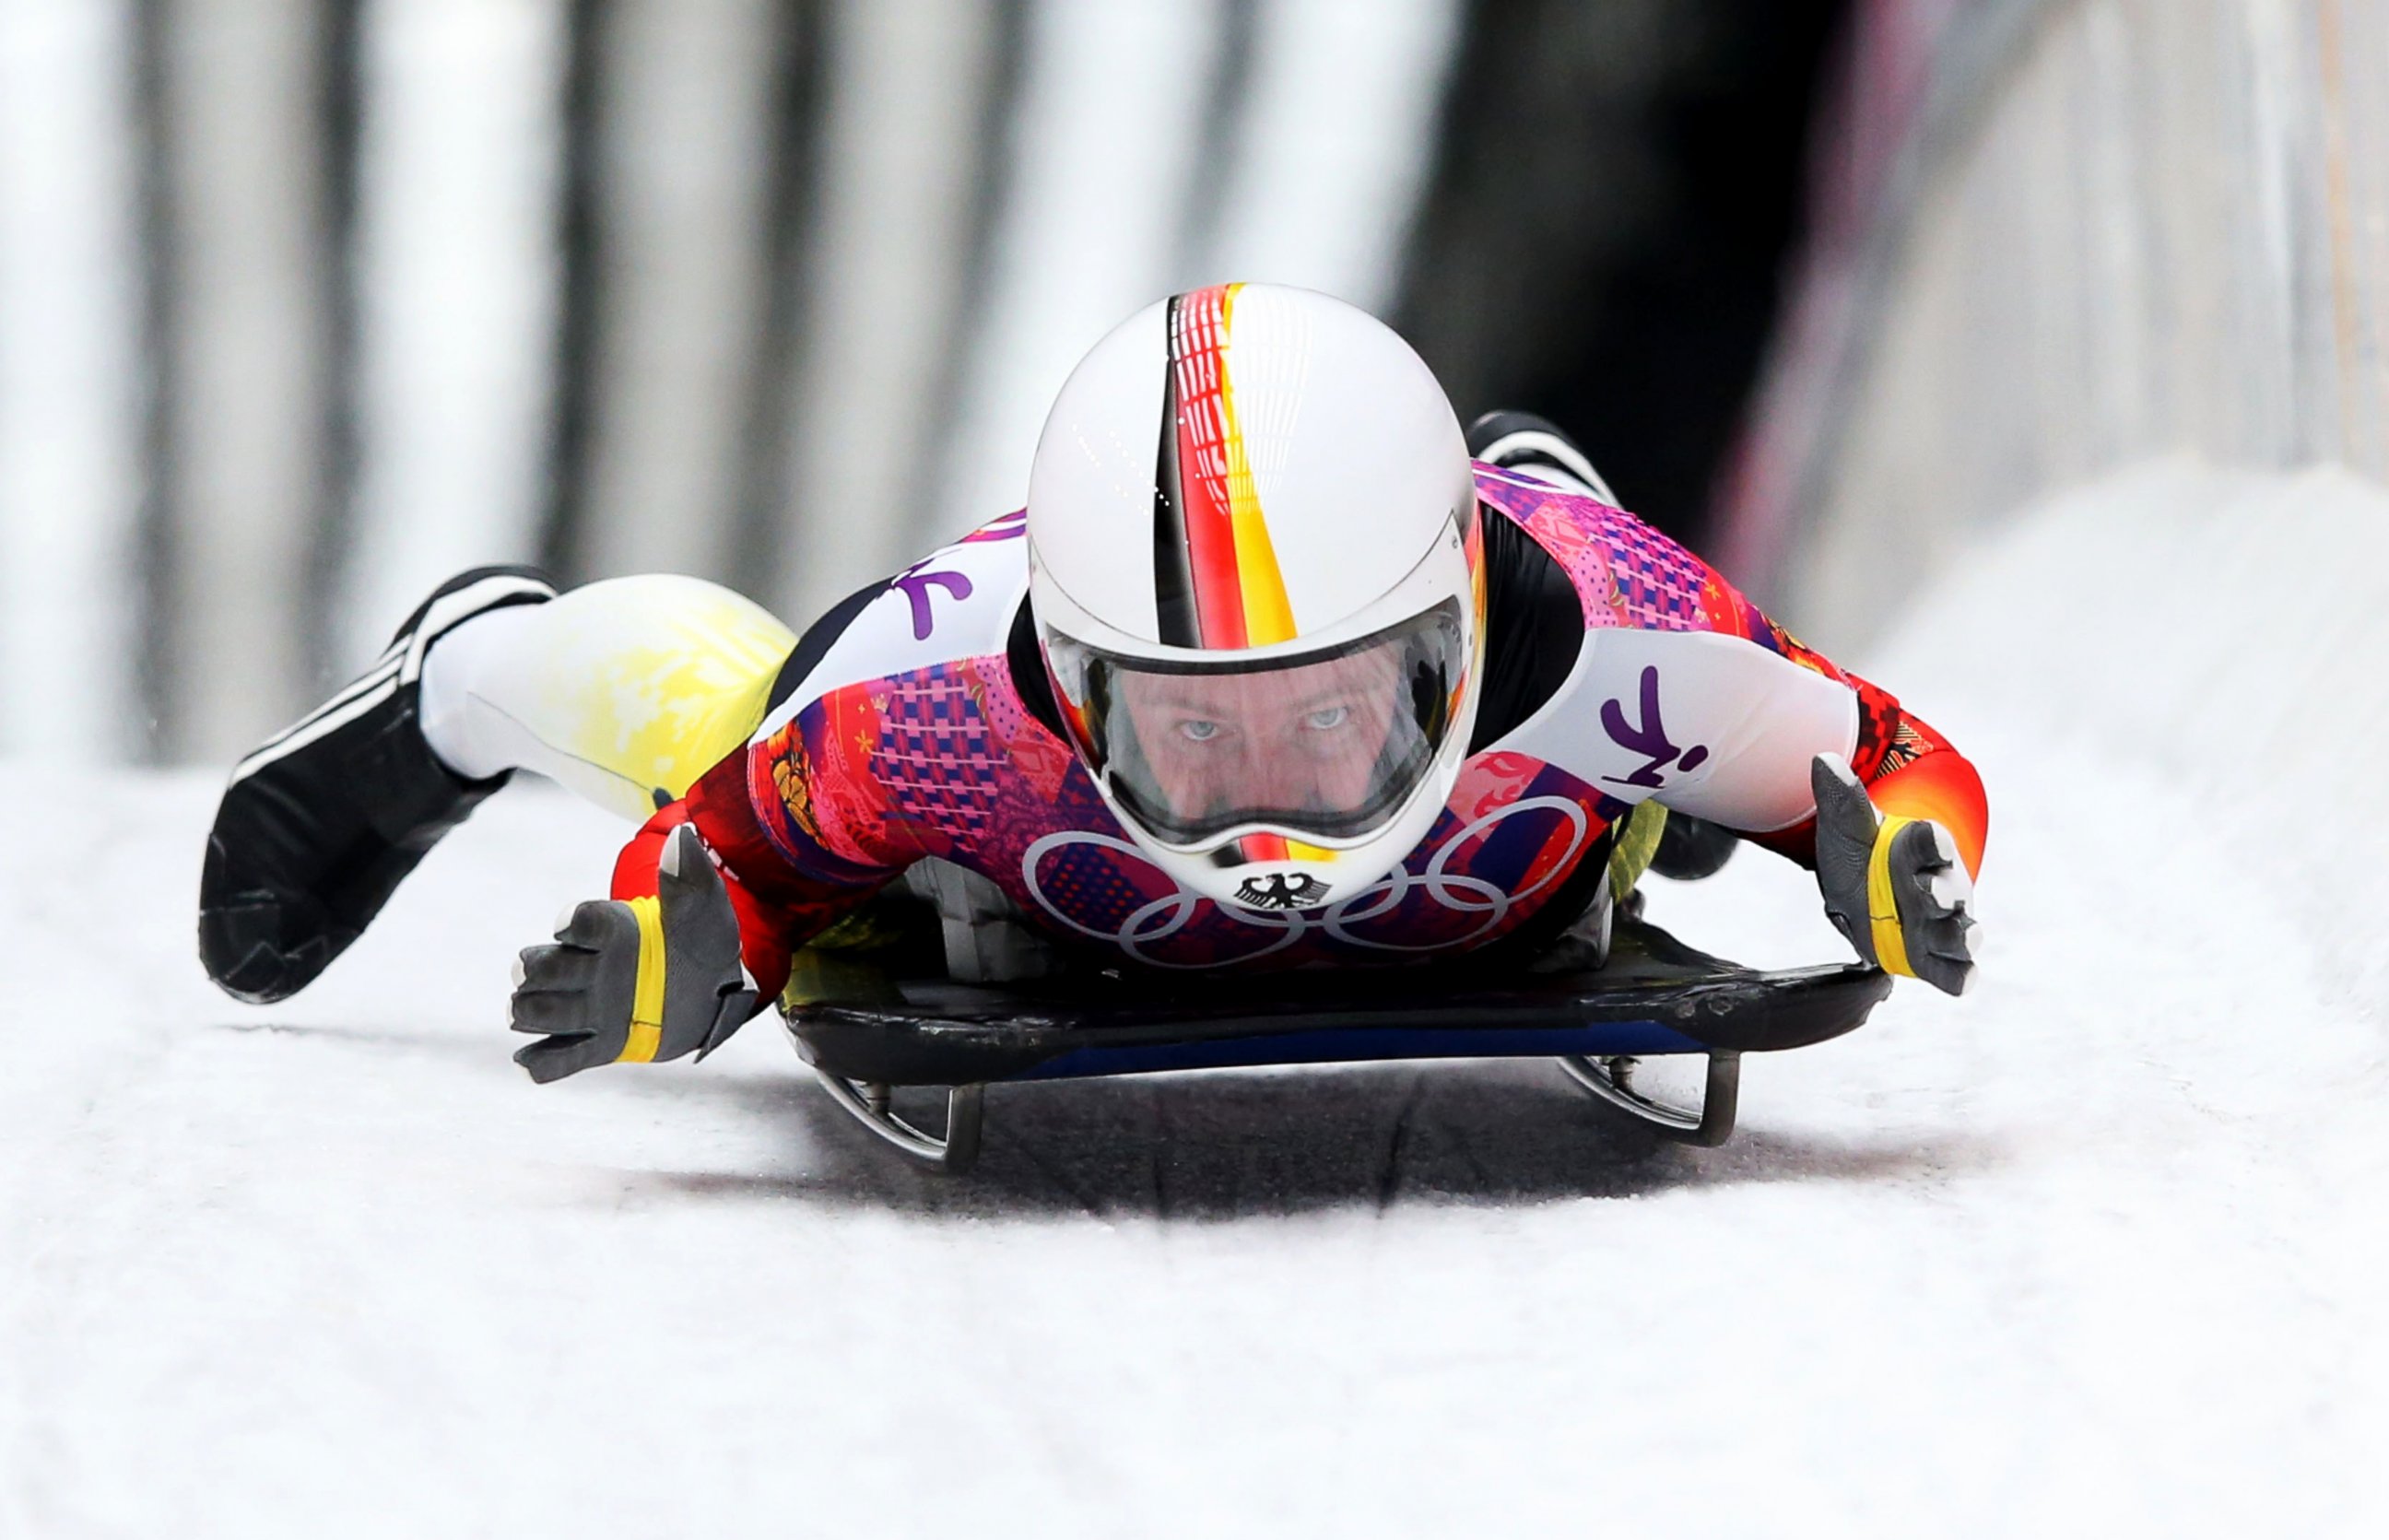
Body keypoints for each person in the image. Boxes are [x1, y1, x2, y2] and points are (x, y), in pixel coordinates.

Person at [198, 283, 1985, 1085]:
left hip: (1563, 685)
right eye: (1191, 729)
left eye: (1334, 710)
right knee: (722, 712)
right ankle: (479, 662)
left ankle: (1549, 498)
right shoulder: (936, 696)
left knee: (1660, 716)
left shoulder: (1623, 638)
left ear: (1455, 639)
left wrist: (1897, 850)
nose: (1271, 800)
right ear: (1074, 677)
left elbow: (1899, 762)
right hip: (1019, 777)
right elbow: (721, 836)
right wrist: (694, 940)